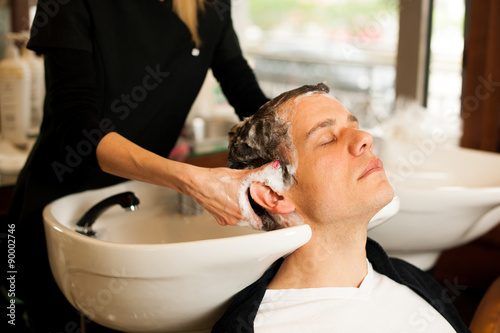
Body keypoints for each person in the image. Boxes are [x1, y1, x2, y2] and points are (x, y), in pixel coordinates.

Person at [8, 0, 270, 332]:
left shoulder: (209, 5)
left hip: (134, 209)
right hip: (56, 209)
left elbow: (243, 88)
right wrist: (186, 178)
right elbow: (76, 128)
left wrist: (302, 135)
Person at [212, 83, 470, 332]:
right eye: (327, 139)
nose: (365, 138)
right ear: (273, 194)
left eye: (355, 126)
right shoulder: (259, 326)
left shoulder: (416, 283)